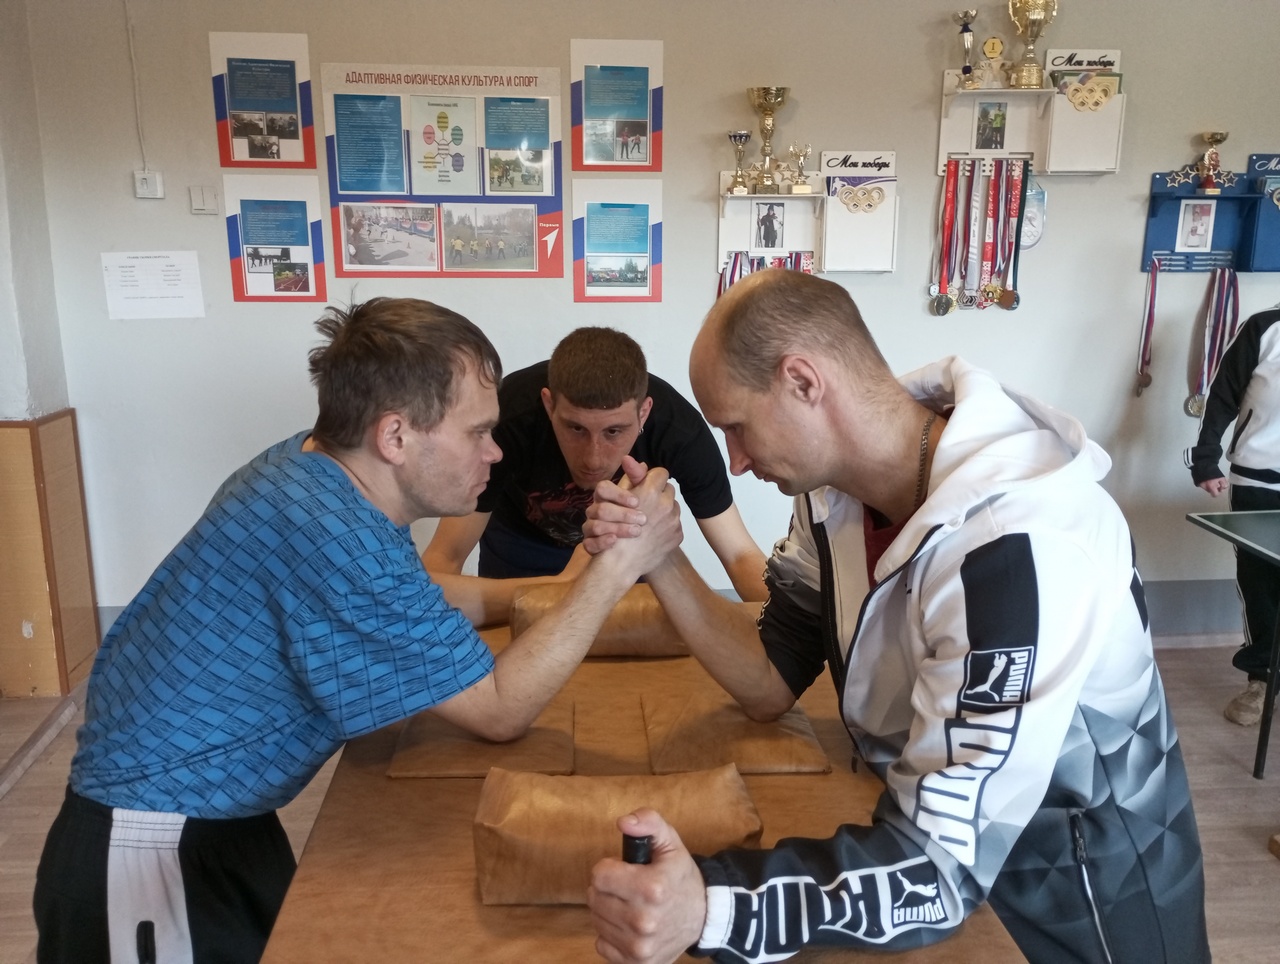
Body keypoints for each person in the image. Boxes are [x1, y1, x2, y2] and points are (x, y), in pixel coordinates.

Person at [585, 270, 1209, 964]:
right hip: (949, 856)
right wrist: (659, 555)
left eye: (736, 426)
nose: (735, 460)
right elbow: (769, 677)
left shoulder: (1018, 544)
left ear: (803, 381)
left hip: (1085, 899)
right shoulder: (831, 497)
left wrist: (711, 904)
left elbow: (936, 871)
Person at [32, 297, 680, 964]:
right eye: (478, 432)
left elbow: (420, 597)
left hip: (223, 816)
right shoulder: (330, 531)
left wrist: (561, 593)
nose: (495, 451)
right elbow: (500, 709)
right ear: (395, 436)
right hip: (154, 838)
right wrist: (617, 565)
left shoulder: (319, 475)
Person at [421, 326, 767, 626]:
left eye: (614, 431)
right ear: (549, 406)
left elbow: (739, 555)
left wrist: (795, 639)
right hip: (519, 556)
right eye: (575, 429)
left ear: (644, 412)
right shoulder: (506, 423)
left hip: (621, 556)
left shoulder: (679, 432)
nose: (593, 458)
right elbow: (446, 556)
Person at [1185, 304, 1280, 725]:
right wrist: (1205, 459)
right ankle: (1262, 680)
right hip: (1258, 481)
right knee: (1260, 583)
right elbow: (1223, 394)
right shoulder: (1264, 327)